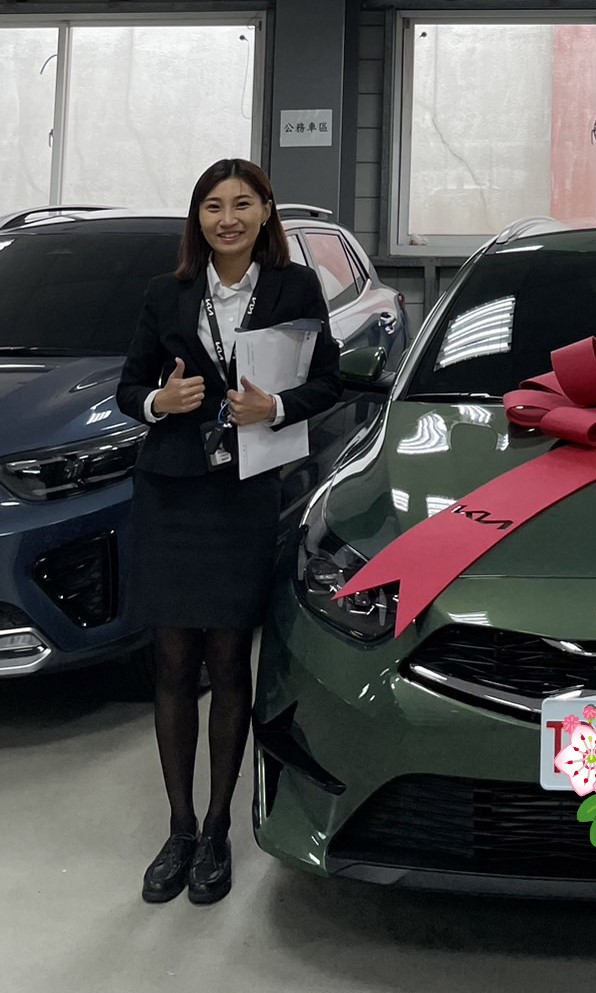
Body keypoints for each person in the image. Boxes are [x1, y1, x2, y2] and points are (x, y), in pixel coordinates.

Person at [116, 158, 342, 905]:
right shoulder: (167, 292)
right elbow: (127, 387)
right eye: (213, 206)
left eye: (243, 204)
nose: (228, 219)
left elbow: (330, 379)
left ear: (266, 211)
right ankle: (178, 828)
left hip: (244, 494)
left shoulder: (294, 289)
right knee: (173, 660)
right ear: (198, 219)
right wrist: (160, 401)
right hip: (172, 493)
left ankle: (217, 829)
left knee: (227, 656)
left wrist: (274, 408)